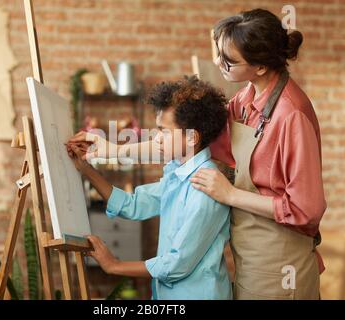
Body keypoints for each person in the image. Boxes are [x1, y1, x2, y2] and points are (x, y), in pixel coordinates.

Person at [68, 9, 327, 300]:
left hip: (280, 261)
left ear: (261, 67)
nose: (218, 63)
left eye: (229, 60)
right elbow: (182, 140)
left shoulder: (291, 115)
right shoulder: (244, 100)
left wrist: (230, 195)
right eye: (220, 54)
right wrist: (113, 149)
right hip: (250, 254)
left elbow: (307, 209)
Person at [67, 76, 232, 300]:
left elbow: (176, 264)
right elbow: (132, 204)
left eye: (164, 131)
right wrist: (86, 170)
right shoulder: (178, 173)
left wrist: (114, 266)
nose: (157, 139)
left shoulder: (206, 187)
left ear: (192, 137)